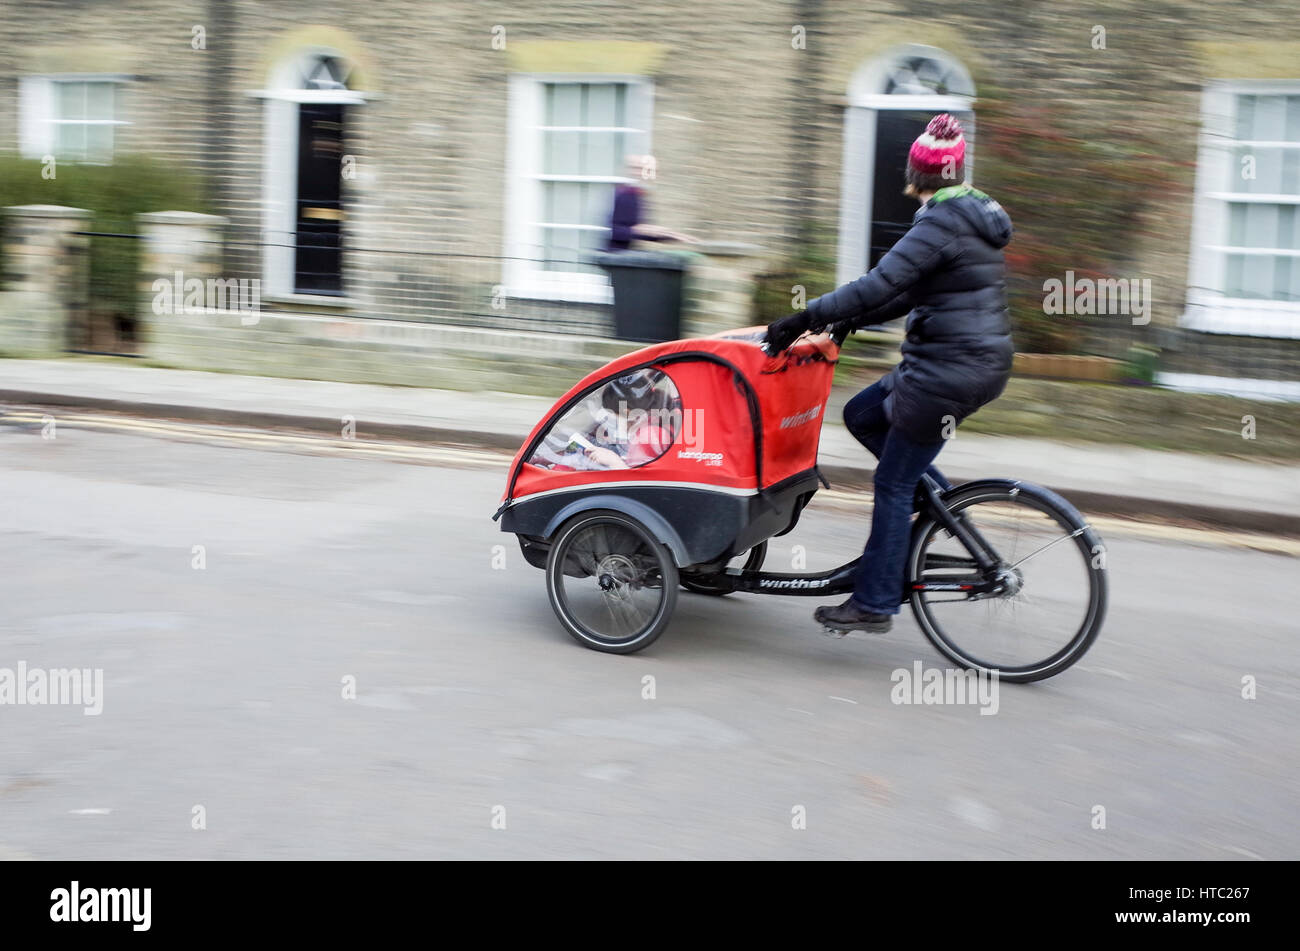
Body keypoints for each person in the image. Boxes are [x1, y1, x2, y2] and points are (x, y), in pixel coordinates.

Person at [763, 113, 1014, 635]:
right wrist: (848, 319)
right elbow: (906, 293)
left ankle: (874, 602)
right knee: (861, 413)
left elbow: (879, 283)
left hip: (946, 372)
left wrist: (805, 317)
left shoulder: (940, 222)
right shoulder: (970, 214)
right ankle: (943, 509)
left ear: (916, 176)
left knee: (893, 483)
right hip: (974, 364)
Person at [607, 154, 697, 250]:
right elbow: (611, 230)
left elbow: (642, 232)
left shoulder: (637, 195)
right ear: (628, 170)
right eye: (636, 168)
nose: (640, 172)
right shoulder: (619, 193)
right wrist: (637, 230)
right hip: (612, 254)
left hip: (625, 254)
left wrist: (669, 235)